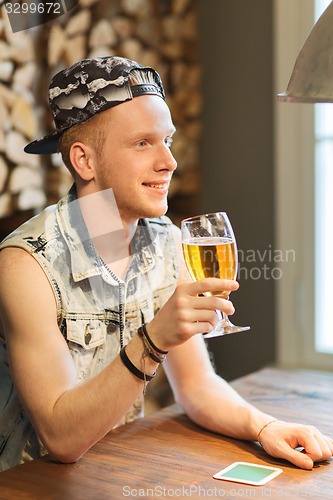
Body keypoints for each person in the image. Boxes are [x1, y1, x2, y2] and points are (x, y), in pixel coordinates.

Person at [0, 56, 332, 473]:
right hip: (26, 485)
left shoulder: (166, 242)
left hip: (110, 472)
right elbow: (62, 439)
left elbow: (196, 386)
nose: (169, 162)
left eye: (168, 141)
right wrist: (154, 340)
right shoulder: (25, 265)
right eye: (142, 143)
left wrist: (265, 427)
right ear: (84, 162)